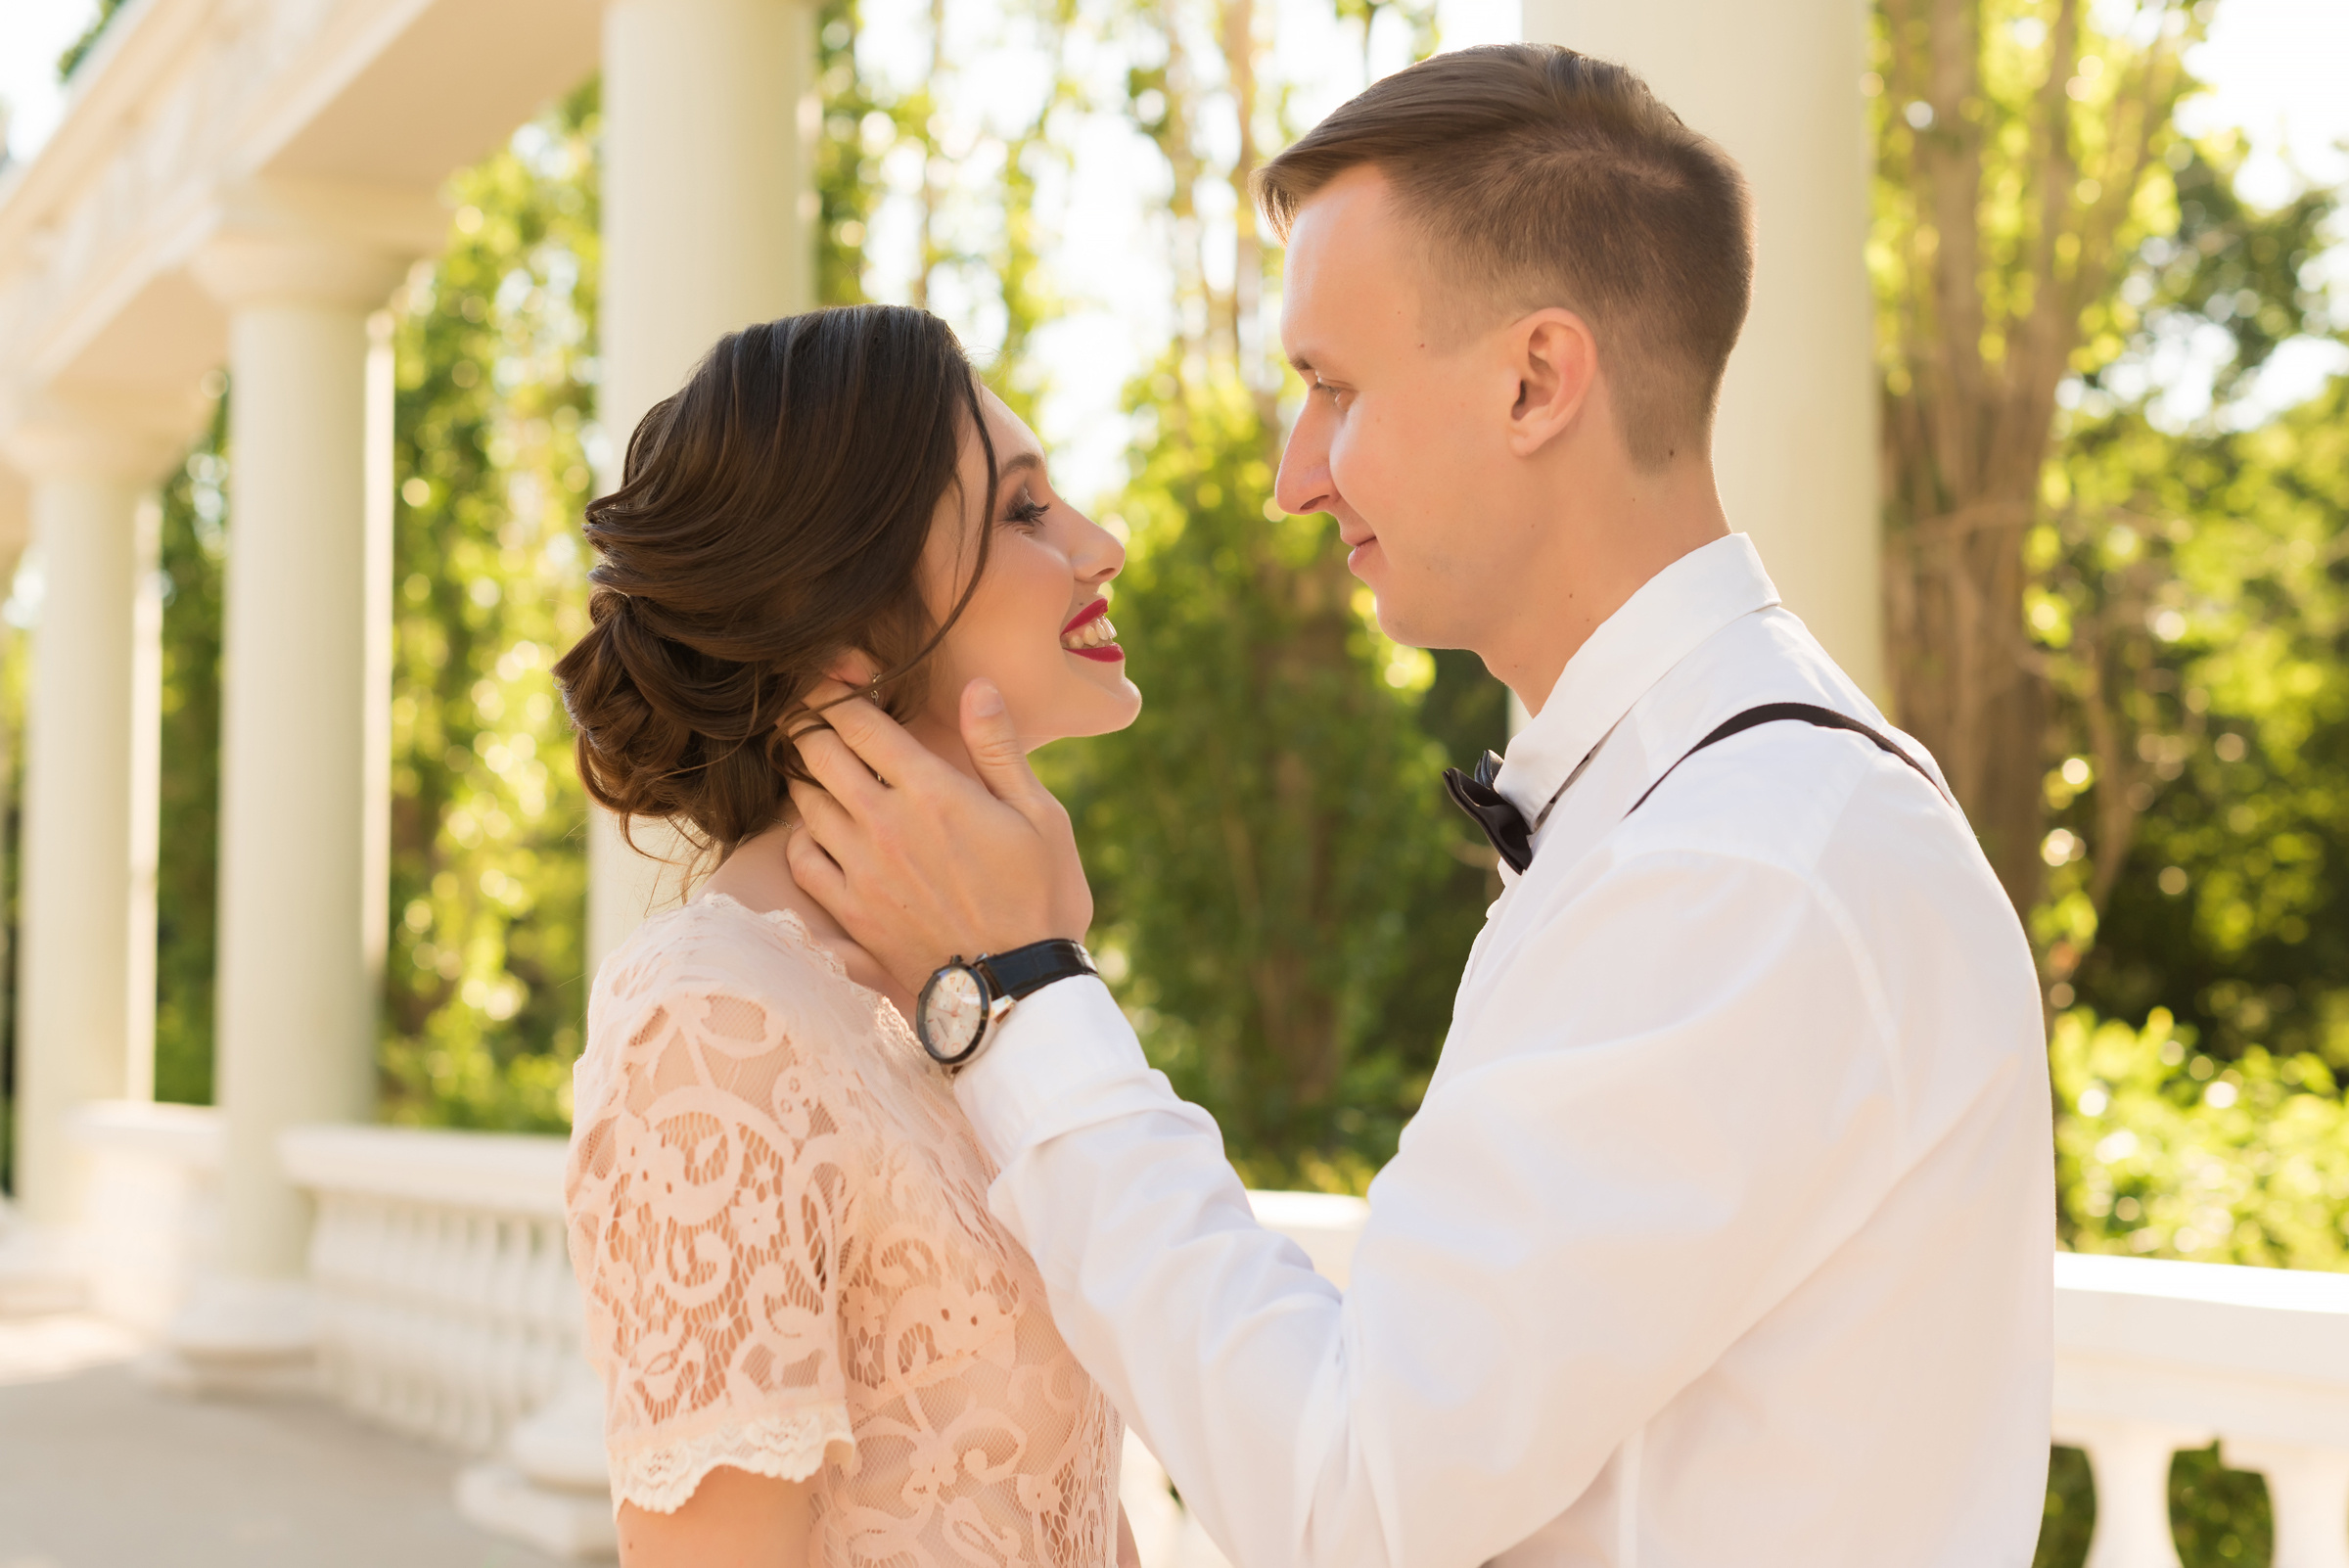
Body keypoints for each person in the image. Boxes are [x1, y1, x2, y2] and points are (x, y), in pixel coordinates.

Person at [781, 45, 2054, 1568]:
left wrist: (1021, 993)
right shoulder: (1707, 817)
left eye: (1332, 390)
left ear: (1536, 380)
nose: (1290, 476)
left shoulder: (1744, 866)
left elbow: (1351, 1506)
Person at [552, 304, 1145, 1567]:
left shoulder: (975, 986)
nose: (1106, 545)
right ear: (845, 630)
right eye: (1027, 512)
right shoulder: (715, 1025)